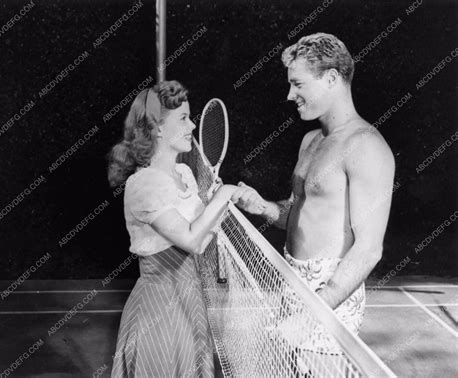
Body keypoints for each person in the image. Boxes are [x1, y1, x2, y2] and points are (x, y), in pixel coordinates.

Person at [233, 33, 395, 355]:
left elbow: (368, 250)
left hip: (329, 299)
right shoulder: (310, 140)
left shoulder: (366, 146)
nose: (290, 94)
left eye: (299, 84)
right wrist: (263, 206)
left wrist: (313, 316)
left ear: (332, 78)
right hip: (291, 283)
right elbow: (297, 212)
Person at [107, 80, 241, 377]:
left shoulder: (183, 173)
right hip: (159, 309)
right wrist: (224, 194)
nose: (192, 127)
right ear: (157, 129)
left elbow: (202, 240)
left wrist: (211, 205)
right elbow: (192, 240)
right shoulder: (145, 185)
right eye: (183, 118)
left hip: (190, 300)